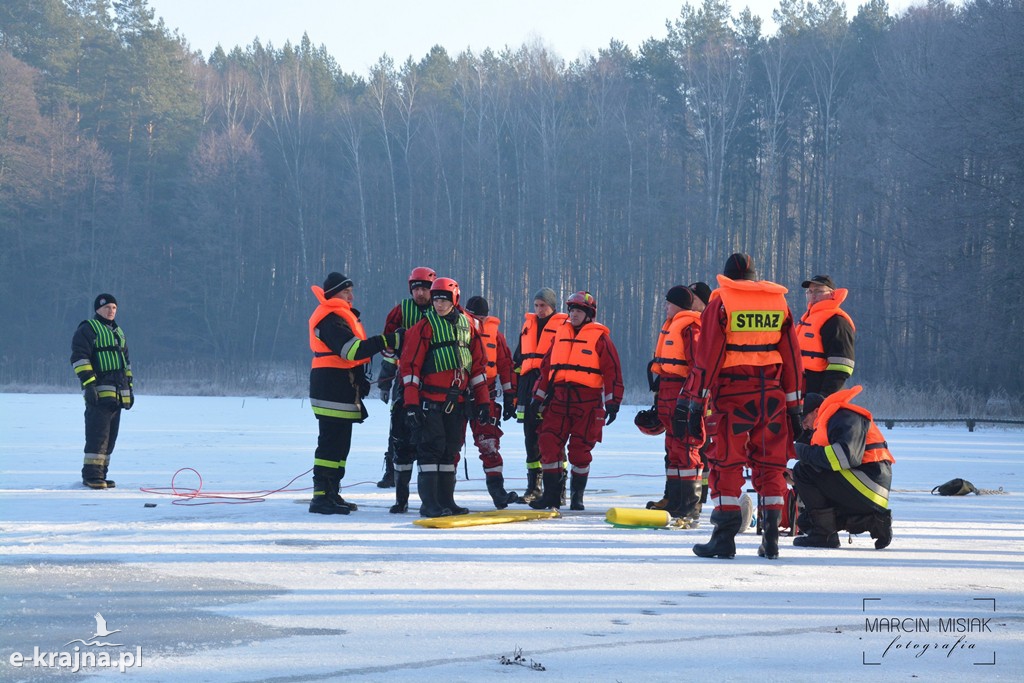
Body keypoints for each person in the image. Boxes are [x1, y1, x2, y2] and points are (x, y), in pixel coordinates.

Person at [675, 254, 803, 559]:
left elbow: (708, 356)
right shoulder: (779, 304)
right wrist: (795, 406)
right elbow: (793, 359)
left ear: (728, 276)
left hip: (732, 395)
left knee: (726, 463)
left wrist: (695, 402)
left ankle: (724, 537)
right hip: (772, 395)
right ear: (755, 276)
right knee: (771, 464)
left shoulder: (722, 302)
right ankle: (771, 537)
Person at [308, 273, 402, 515]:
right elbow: (351, 350)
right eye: (346, 291)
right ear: (333, 294)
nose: (351, 295)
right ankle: (321, 497)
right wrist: (387, 340)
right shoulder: (330, 318)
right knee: (330, 444)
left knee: (340, 446)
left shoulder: (340, 316)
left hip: (342, 387)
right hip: (331, 386)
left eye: (351, 290)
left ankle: (331, 492)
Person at [400, 277, 492, 517]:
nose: (439, 304)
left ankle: (446, 501)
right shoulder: (423, 327)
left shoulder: (469, 326)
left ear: (455, 300)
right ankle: (429, 504)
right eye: (437, 299)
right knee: (431, 449)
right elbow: (410, 369)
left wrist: (483, 401)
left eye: (444, 300)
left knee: (450, 450)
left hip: (458, 402)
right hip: (430, 402)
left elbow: (478, 369)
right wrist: (411, 405)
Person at [528, 291, 624, 511]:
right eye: (571, 310)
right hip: (559, 400)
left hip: (587, 403)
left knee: (580, 451)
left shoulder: (601, 339)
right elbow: (546, 371)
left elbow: (613, 373)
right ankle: (551, 496)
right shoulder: (559, 336)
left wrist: (613, 402)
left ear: (589, 314)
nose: (574, 314)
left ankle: (577, 497)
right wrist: (537, 398)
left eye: (579, 311)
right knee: (548, 443)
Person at [791, 387, 894, 549]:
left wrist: (800, 451)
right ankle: (874, 522)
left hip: (869, 483)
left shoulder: (844, 417)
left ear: (816, 411)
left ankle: (824, 536)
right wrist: (794, 478)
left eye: (805, 420)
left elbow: (844, 458)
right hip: (866, 485)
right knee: (806, 522)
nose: (804, 427)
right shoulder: (834, 420)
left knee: (803, 469)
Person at [645, 285, 704, 524]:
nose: (665, 306)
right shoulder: (673, 326)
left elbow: (697, 367)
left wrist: (688, 401)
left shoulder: (690, 327)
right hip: (668, 393)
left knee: (687, 447)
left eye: (668, 302)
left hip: (683, 395)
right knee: (673, 448)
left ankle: (690, 505)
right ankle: (675, 501)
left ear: (679, 305)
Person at [379, 267, 436, 512]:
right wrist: (385, 379)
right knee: (398, 427)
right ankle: (392, 471)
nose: (420, 293)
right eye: (416, 289)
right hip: (404, 379)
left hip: (432, 380)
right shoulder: (401, 311)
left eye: (424, 289)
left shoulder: (442, 309)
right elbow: (388, 348)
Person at [511, 288, 568, 504]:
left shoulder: (564, 327)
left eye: (543, 305)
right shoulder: (528, 326)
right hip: (527, 388)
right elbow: (518, 361)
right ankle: (533, 487)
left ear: (553, 306)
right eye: (536, 305)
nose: (539, 310)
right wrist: (515, 395)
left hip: (550, 387)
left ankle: (559, 489)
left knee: (553, 439)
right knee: (530, 439)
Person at [71, 294, 134, 489]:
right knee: (97, 436)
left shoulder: (118, 332)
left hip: (117, 394)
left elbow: (126, 364)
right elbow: (79, 358)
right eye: (107, 307)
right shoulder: (87, 329)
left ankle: (101, 474)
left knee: (110, 438)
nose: (111, 311)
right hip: (98, 393)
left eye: (114, 307)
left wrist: (129, 389)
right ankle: (91, 475)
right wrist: (89, 385)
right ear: (98, 309)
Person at [464, 296, 520, 508]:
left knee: (489, 444)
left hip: (486, 395)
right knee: (449, 447)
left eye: (482, 317)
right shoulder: (455, 328)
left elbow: (505, 364)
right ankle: (442, 497)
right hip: (458, 394)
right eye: (475, 317)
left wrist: (509, 396)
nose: (479, 320)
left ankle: (498, 493)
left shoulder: (495, 335)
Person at [797, 274, 856, 398]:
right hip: (802, 393)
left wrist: (823, 397)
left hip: (820, 395)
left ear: (831, 294)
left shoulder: (837, 321)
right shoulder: (808, 318)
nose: (813, 295)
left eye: (818, 291)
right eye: (810, 291)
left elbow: (842, 366)